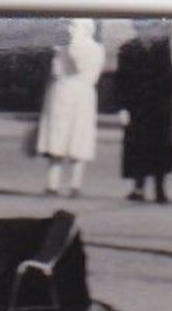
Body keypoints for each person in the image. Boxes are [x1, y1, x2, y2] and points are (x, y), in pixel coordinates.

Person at [115, 20, 172, 203]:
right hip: (138, 107)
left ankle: (159, 189)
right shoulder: (127, 49)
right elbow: (121, 81)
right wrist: (123, 106)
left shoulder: (163, 49)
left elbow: (171, 79)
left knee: (160, 148)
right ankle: (139, 187)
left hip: (159, 107)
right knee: (137, 147)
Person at [36, 19, 104, 198]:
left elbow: (79, 64)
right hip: (60, 94)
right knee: (56, 139)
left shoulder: (94, 49)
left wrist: (68, 46)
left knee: (78, 139)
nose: (70, 30)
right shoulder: (61, 47)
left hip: (81, 96)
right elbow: (56, 71)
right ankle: (52, 184)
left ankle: (75, 185)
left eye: (74, 26)